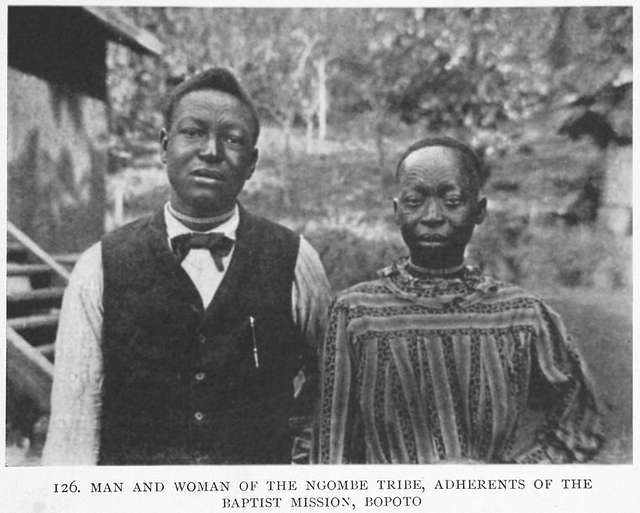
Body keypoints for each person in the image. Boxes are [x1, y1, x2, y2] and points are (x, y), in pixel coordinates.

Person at [43, 68, 331, 465]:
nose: (211, 151)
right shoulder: (100, 268)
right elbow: (72, 430)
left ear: (251, 162)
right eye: (193, 132)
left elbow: (333, 387)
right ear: (164, 146)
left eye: (232, 139)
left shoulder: (295, 259)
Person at [316, 136, 603, 464]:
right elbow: (330, 441)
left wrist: (508, 482)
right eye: (414, 201)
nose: (433, 215)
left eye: (452, 200)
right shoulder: (356, 312)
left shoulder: (520, 315)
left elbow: (581, 420)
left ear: (479, 210)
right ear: (397, 211)